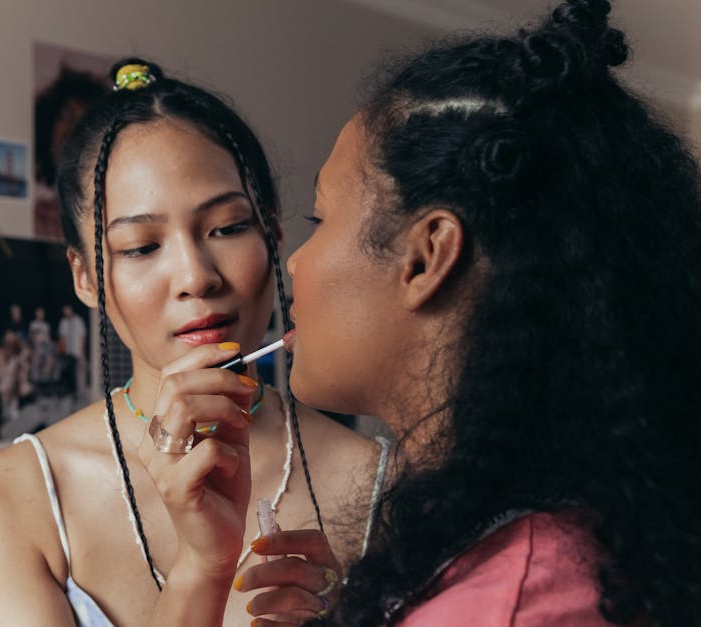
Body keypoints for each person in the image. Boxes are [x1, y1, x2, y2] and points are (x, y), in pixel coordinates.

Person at [211, 1, 698, 625]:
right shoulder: (537, 549)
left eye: (320, 219)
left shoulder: (506, 604)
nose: (295, 265)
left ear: (427, 255)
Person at [0, 59, 385, 627]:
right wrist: (202, 566)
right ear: (85, 277)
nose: (196, 277)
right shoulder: (4, 497)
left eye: (227, 228)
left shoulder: (383, 484)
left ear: (272, 236)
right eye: (141, 247)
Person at [33, 65, 107, 239]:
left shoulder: (112, 215)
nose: (73, 128)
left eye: (84, 120)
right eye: (66, 116)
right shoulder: (39, 216)